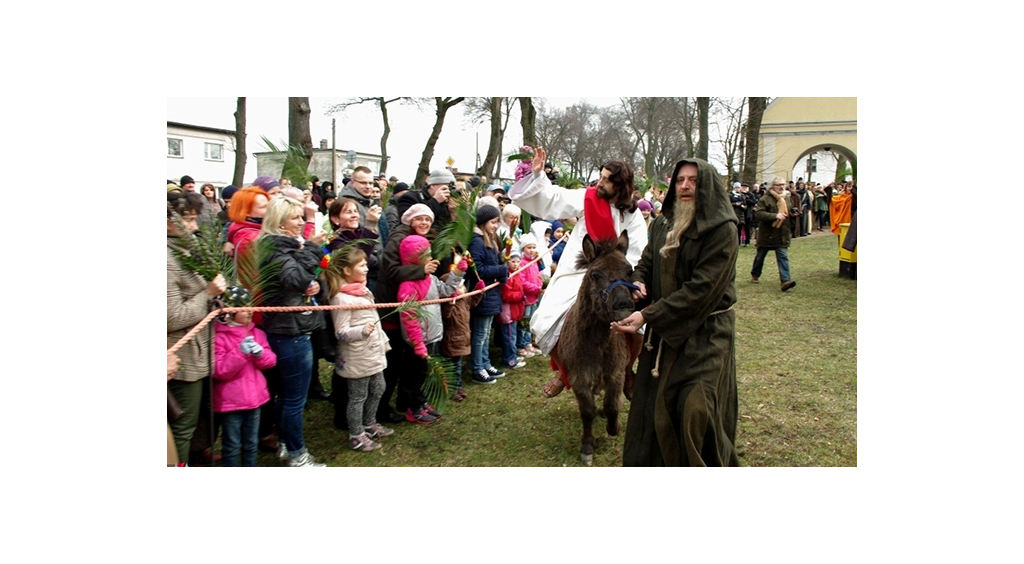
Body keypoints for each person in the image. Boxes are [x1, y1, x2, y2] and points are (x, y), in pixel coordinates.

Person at [610, 157, 740, 467]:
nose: (685, 186)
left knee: (695, 408)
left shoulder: (722, 230)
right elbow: (647, 261)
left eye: (693, 180)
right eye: (680, 180)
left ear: (706, 186)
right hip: (663, 335)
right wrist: (639, 281)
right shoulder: (663, 223)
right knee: (654, 407)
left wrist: (647, 316)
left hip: (705, 335)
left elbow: (701, 290)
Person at [507, 147, 648, 394]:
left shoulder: (633, 215)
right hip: (578, 274)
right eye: (601, 176)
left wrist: (634, 280)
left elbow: (637, 251)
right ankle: (565, 374)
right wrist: (539, 176)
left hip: (618, 278)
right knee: (543, 322)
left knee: (640, 328)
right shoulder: (589, 198)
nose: (600, 182)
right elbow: (553, 198)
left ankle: (626, 371)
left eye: (606, 180)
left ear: (621, 185)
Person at [257, 196, 330, 467]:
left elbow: (305, 281)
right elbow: (297, 278)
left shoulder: (287, 247)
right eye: (296, 218)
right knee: (294, 398)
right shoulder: (276, 249)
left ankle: (287, 445)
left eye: (302, 217)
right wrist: (312, 248)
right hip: (290, 331)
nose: (301, 222)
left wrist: (315, 285)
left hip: (294, 326)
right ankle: (298, 456)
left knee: (288, 394)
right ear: (280, 222)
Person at [167, 192, 227, 464]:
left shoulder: (189, 251)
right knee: (182, 423)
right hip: (182, 356)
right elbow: (172, 316)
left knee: (202, 416)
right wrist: (207, 292)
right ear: (168, 223)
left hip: (202, 348)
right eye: (188, 220)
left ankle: (198, 456)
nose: (194, 226)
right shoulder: (166, 260)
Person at [373, 203, 438, 424]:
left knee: (409, 361)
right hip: (393, 306)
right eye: (420, 219)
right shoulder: (399, 237)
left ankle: (408, 400)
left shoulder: (418, 238)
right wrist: (421, 271)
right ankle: (383, 408)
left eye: (428, 220)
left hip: (407, 307)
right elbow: (390, 269)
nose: (424, 223)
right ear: (409, 220)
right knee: (394, 363)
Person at [325, 246, 394, 452]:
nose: (366, 268)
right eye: (362, 265)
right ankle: (356, 434)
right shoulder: (340, 298)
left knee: (378, 388)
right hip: (357, 355)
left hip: (372, 352)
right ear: (347, 271)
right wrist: (362, 331)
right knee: (358, 396)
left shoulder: (362, 290)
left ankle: (369, 423)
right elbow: (341, 332)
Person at [212, 286, 276, 466]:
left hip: (255, 399)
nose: (249, 311)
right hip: (230, 402)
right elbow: (219, 370)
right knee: (232, 444)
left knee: (251, 442)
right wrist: (240, 354)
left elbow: (270, 361)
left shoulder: (257, 333)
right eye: (243, 308)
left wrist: (260, 354)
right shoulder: (219, 338)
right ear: (229, 313)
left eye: (250, 306)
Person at [468, 204, 509, 384]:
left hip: (493, 293)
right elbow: (478, 270)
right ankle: (477, 368)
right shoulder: (477, 242)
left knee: (485, 333)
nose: (495, 226)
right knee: (480, 333)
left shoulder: (491, 240)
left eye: (497, 222)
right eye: (493, 222)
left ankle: (485, 363)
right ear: (484, 222)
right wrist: (501, 269)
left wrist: (503, 273)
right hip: (483, 294)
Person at [750, 176, 797, 291]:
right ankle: (755, 274)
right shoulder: (765, 199)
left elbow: (788, 210)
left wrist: (792, 212)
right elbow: (758, 214)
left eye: (783, 184)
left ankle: (785, 281)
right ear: (772, 186)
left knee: (783, 256)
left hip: (782, 233)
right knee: (760, 256)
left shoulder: (786, 198)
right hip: (767, 234)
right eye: (778, 185)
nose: (781, 187)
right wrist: (775, 216)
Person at [498, 250, 528, 370]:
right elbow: (506, 295)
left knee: (512, 336)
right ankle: (510, 360)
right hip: (508, 312)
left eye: (518, 261)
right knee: (510, 337)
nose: (516, 264)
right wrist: (520, 296)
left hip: (514, 311)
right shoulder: (507, 276)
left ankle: (513, 355)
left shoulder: (516, 274)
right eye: (512, 261)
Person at [515, 234, 544, 358]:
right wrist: (536, 289)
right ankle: (521, 344)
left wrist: (541, 284)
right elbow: (523, 281)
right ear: (523, 249)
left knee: (531, 321)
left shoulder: (534, 262)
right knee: (524, 322)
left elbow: (538, 276)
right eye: (529, 247)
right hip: (527, 297)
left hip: (534, 297)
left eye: (533, 247)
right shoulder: (522, 263)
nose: (532, 250)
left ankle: (528, 343)